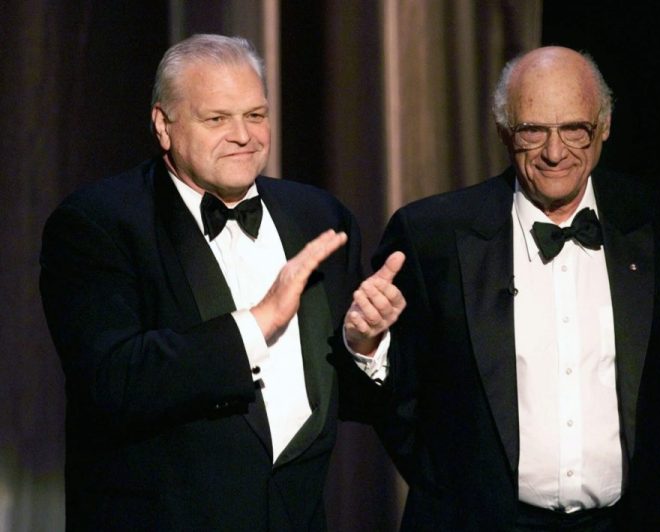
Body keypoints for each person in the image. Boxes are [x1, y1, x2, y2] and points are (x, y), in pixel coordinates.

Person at [40, 34, 402, 531]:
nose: (244, 135)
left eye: (255, 115)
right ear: (163, 127)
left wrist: (364, 344)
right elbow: (112, 382)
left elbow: (348, 401)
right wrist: (256, 324)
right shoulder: (98, 224)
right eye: (217, 119)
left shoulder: (317, 214)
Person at [358, 46, 660, 531]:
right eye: (533, 130)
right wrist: (366, 346)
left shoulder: (655, 226)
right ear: (505, 132)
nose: (555, 151)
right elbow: (388, 404)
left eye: (574, 129)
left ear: (603, 127)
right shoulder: (430, 235)